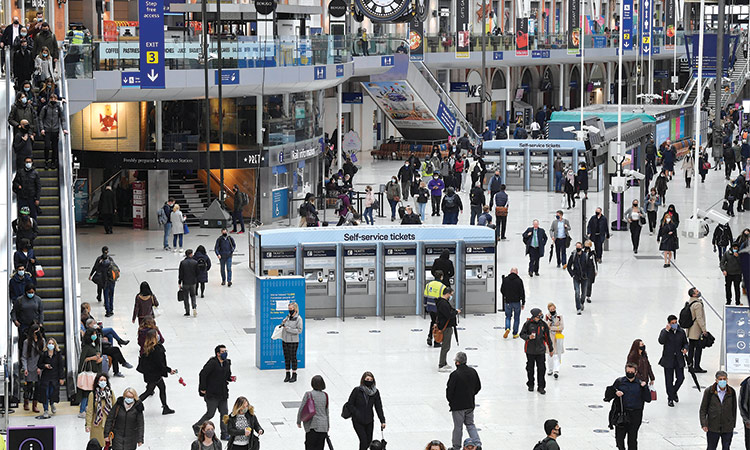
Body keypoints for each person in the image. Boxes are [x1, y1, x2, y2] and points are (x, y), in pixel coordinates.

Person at [604, 363, 652, 450]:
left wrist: (645, 388)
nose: (629, 373)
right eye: (628, 371)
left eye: (631, 372)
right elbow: (607, 396)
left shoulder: (640, 384)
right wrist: (615, 393)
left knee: (632, 439)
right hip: (622, 414)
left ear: (635, 372)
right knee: (619, 439)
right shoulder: (620, 382)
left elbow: (648, 399)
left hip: (635, 415)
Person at [193, 345, 233, 439]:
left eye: (225, 351)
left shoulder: (227, 363)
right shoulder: (212, 363)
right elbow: (203, 374)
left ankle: (224, 433)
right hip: (212, 393)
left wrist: (230, 378)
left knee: (224, 414)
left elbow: (227, 375)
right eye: (223, 352)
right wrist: (202, 388)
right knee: (210, 413)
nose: (225, 353)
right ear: (218, 353)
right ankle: (197, 426)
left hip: (223, 393)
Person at [446, 352, 481, 450]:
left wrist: (451, 401)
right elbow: (478, 386)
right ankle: (477, 444)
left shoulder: (455, 374)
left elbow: (449, 390)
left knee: (458, 426)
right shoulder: (473, 371)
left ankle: (456, 446)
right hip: (470, 403)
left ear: (457, 362)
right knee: (470, 424)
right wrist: (471, 395)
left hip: (458, 406)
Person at [136, 329, 176, 415]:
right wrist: (169, 370)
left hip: (151, 373)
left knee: (161, 388)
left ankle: (165, 407)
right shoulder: (157, 349)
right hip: (155, 374)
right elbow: (160, 364)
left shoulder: (147, 347)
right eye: (157, 334)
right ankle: (134, 404)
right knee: (149, 391)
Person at [346, 372, 386, 450]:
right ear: (363, 380)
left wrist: (382, 420)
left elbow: (378, 407)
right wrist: (356, 413)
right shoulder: (357, 390)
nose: (369, 381)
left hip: (369, 420)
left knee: (368, 442)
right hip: (358, 421)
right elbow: (349, 404)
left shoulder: (375, 392)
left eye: (371, 379)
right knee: (363, 441)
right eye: (367, 379)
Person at [700, 371, 737, 450]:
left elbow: (734, 409)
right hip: (713, 427)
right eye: (720, 379)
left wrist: (732, 424)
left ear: (727, 380)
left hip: (727, 427)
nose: (722, 381)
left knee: (726, 447)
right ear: (716, 380)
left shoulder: (731, 392)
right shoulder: (709, 392)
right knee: (711, 447)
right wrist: (704, 424)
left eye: (724, 379)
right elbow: (703, 409)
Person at [520, 308, 553, 394]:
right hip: (530, 351)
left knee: (541, 369)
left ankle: (541, 387)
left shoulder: (543, 325)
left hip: (541, 351)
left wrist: (551, 349)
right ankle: (530, 384)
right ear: (535, 315)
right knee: (530, 368)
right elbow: (522, 334)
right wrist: (528, 337)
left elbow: (547, 337)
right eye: (539, 314)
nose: (541, 315)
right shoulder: (527, 324)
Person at [658, 314, 689, 407]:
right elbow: (661, 341)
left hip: (679, 359)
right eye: (672, 323)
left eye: (676, 322)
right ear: (669, 324)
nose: (675, 324)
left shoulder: (681, 332)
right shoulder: (665, 332)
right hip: (668, 359)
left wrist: (685, 348)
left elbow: (685, 343)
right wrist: (666, 331)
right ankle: (670, 398)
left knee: (680, 378)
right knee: (669, 380)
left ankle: (673, 392)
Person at [297, 375, 330, 450]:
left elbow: (302, 408)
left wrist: (299, 421)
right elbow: (327, 412)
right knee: (320, 447)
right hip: (323, 426)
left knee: (310, 446)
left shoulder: (309, 394)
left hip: (312, 425)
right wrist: (327, 425)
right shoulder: (325, 395)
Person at [11, 283, 43, 357]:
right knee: (24, 343)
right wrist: (15, 320)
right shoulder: (20, 300)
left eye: (32, 292)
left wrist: (40, 323)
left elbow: (41, 312)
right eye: (29, 292)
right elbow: (14, 312)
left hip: (35, 325)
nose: (31, 294)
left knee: (36, 343)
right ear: (26, 292)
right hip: (24, 326)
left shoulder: (38, 300)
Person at [79, 329, 103, 418]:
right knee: (87, 391)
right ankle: (82, 410)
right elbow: (83, 360)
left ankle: (90, 408)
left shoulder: (96, 345)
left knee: (94, 391)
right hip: (88, 372)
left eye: (95, 334)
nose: (95, 336)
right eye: (93, 334)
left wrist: (100, 359)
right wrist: (92, 358)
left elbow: (100, 355)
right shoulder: (86, 347)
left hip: (96, 371)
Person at [37, 337, 64, 418]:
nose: (51, 345)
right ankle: (45, 409)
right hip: (45, 377)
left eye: (52, 343)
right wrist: (45, 365)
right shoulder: (43, 354)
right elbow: (39, 364)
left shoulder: (58, 354)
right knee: (45, 393)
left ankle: (52, 403)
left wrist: (61, 378)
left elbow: (61, 366)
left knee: (53, 393)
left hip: (55, 377)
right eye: (49, 343)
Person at [86, 373, 116, 446]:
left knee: (108, 445)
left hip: (109, 424)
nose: (103, 382)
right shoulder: (92, 394)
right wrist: (88, 425)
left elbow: (115, 408)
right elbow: (90, 411)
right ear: (97, 382)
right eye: (101, 380)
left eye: (104, 380)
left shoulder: (110, 393)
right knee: (97, 444)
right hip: (97, 425)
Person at [39, 93, 66, 168]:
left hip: (55, 130)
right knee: (47, 146)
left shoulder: (58, 108)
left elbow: (62, 119)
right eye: (52, 98)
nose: (53, 100)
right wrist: (42, 129)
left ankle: (53, 162)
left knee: (55, 147)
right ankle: (46, 161)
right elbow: (40, 118)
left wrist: (64, 129)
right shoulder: (45, 108)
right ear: (49, 99)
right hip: (47, 130)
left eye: (55, 98)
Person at [21, 324, 44, 414]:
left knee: (38, 387)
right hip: (30, 367)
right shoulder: (27, 342)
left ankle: (35, 404)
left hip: (39, 367)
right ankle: (26, 401)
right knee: (28, 387)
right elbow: (24, 356)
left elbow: (43, 355)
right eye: (36, 331)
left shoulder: (42, 341)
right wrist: (25, 368)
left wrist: (41, 367)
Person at [436, 287, 460, 372]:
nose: (451, 296)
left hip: (445, 326)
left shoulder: (442, 302)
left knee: (446, 346)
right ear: (447, 294)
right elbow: (448, 315)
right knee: (445, 347)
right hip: (446, 327)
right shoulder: (443, 304)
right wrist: (456, 312)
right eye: (451, 294)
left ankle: (444, 362)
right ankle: (441, 364)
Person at [686, 287, 708, 373]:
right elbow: (699, 318)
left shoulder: (690, 301)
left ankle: (690, 365)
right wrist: (704, 329)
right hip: (696, 330)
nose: (698, 292)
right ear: (694, 294)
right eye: (697, 291)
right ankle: (697, 366)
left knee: (691, 348)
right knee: (698, 349)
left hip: (690, 329)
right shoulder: (698, 304)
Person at [281, 302, 303, 383]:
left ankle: (294, 374)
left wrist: (288, 329)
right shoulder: (287, 317)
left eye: (291, 309)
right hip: (285, 340)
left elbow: (299, 330)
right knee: (286, 357)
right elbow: (284, 326)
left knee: (293, 357)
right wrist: (283, 323)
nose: (289, 311)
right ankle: (287, 374)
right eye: (289, 309)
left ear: (295, 309)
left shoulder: (299, 319)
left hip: (293, 341)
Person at [500, 267, 525, 339]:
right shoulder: (519, 280)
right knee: (516, 318)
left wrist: (506, 295)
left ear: (510, 272)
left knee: (508, 317)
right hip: (517, 302)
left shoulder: (505, 280)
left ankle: (507, 328)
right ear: (517, 272)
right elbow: (522, 292)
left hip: (508, 301)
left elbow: (502, 290)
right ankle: (515, 333)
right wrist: (523, 302)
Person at [424, 273, 446, 347]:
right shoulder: (442, 286)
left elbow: (425, 296)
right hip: (438, 308)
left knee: (433, 321)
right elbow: (444, 298)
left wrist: (425, 306)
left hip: (430, 306)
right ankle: (437, 341)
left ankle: (430, 337)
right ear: (441, 277)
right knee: (438, 323)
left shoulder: (428, 284)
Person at [545, 303, 564, 379]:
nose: (552, 310)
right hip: (549, 337)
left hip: (557, 337)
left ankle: (556, 370)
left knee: (557, 354)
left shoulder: (559, 316)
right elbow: (546, 326)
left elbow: (562, 327)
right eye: (551, 309)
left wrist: (552, 328)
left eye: (553, 309)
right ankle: (550, 369)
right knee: (550, 354)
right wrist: (549, 321)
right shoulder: (546, 316)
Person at [178, 249, 200, 317]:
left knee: (185, 297)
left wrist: (179, 282)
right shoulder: (195, 262)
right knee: (193, 296)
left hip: (185, 282)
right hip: (193, 282)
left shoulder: (182, 263)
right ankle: (194, 307)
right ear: (191, 254)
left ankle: (187, 311)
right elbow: (198, 272)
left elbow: (180, 273)